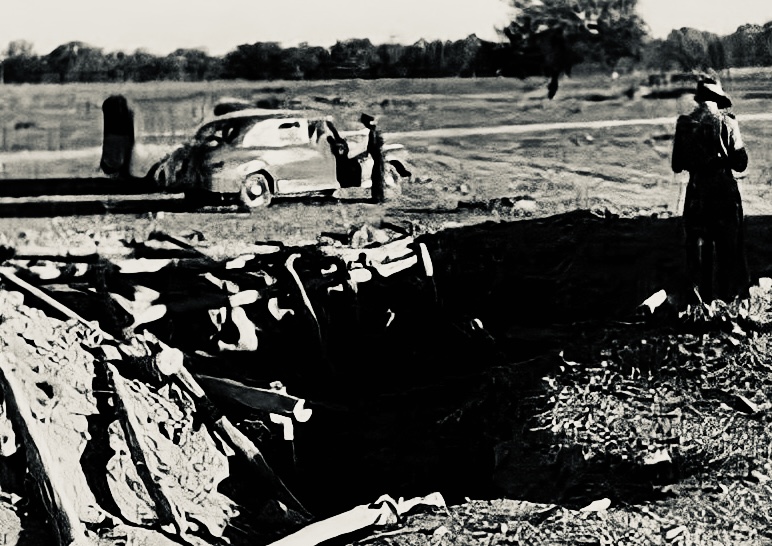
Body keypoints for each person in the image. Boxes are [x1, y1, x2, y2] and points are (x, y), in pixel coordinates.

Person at [672, 76, 750, 303]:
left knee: (697, 252)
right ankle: (728, 301)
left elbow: (677, 165)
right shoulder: (728, 123)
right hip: (725, 193)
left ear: (699, 99)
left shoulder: (684, 125)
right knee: (729, 251)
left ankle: (699, 301)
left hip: (697, 193)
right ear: (718, 98)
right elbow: (741, 163)